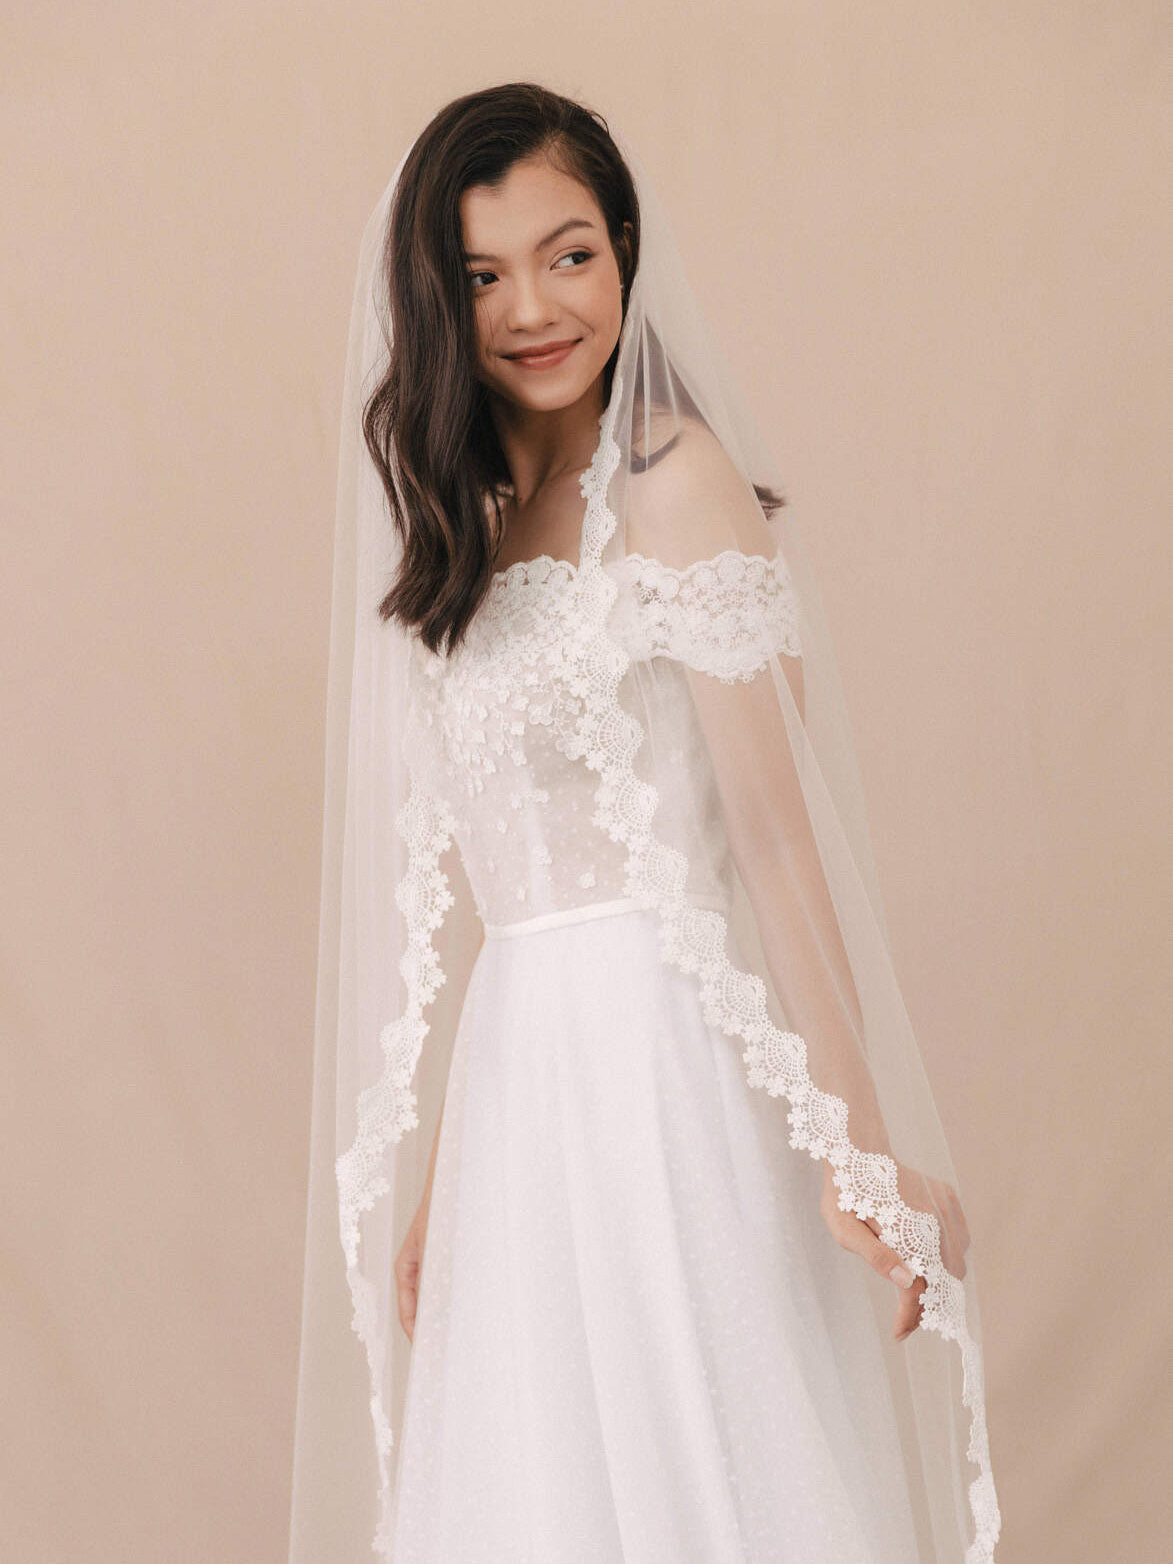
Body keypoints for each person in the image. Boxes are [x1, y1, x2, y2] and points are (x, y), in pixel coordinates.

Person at [288, 82, 1003, 1564]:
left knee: (703, 1476)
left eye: (568, 256)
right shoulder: (461, 519)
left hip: (664, 1060)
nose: (532, 308)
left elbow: (779, 833)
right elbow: (497, 869)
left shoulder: (677, 487)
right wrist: (443, 1180)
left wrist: (857, 1145)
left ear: (623, 256)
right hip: (516, 1080)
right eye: (481, 275)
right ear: (434, 298)